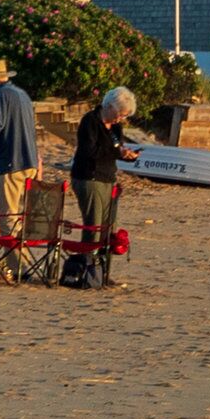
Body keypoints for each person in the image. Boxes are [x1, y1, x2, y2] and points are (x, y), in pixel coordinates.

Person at [65, 86, 142, 288]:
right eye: (120, 113)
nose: (121, 118)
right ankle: (88, 271)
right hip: (88, 177)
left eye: (125, 115)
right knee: (94, 225)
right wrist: (118, 152)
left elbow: (114, 150)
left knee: (109, 228)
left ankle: (103, 272)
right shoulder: (90, 121)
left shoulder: (116, 128)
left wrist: (127, 154)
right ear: (109, 106)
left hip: (108, 178)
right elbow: (90, 150)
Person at [0, 58, 39, 234]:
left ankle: (21, 263)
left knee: (7, 223)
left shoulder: (0, 94)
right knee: (17, 221)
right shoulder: (22, 94)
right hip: (30, 162)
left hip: (12, 163)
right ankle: (18, 261)